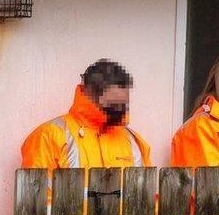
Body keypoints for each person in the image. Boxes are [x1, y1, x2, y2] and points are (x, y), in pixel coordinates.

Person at [22, 59, 151, 169]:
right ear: (89, 95)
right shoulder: (49, 136)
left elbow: (148, 195)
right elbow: (37, 194)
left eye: (123, 105)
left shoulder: (134, 141)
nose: (120, 111)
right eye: (113, 105)